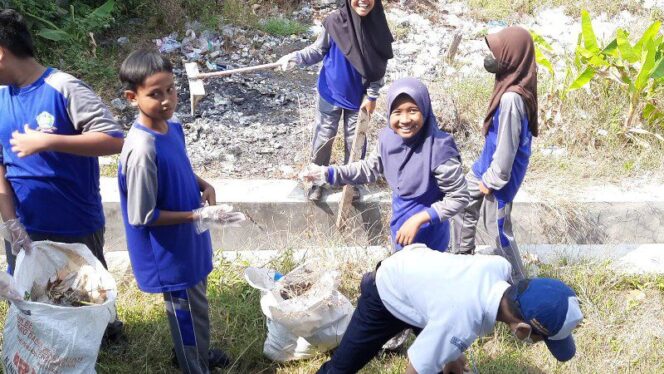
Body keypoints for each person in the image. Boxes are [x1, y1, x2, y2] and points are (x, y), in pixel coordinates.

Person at [0, 9, 125, 341]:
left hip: (76, 222)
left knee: (90, 292)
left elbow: (114, 140)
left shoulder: (63, 87)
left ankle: (106, 332)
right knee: (33, 296)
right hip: (26, 224)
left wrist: (49, 140)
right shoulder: (0, 97)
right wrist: (10, 220)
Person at [118, 50, 245, 373]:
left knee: (197, 304)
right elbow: (142, 216)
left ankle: (198, 353)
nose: (167, 100)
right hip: (169, 253)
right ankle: (193, 365)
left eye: (171, 90)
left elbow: (179, 166)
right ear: (132, 97)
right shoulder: (142, 150)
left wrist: (203, 183)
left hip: (187, 241)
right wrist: (197, 216)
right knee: (185, 313)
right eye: (155, 94)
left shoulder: (170, 126)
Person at [318, 244, 583, 374]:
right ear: (522, 331)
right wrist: (446, 350)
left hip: (426, 285)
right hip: (388, 291)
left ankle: (450, 358)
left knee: (452, 360)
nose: (536, 343)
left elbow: (455, 300)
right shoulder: (461, 321)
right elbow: (416, 368)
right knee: (342, 369)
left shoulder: (499, 267)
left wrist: (451, 355)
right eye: (539, 340)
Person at [301, 78, 469, 252]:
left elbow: (459, 196)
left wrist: (419, 219)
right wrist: (328, 173)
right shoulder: (388, 139)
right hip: (400, 229)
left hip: (430, 238)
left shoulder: (440, 149)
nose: (404, 119)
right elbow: (369, 169)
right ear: (389, 113)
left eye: (413, 111)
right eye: (397, 112)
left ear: (425, 110)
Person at [278, 0, 394, 201]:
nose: (364, 1)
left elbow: (379, 66)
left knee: (355, 139)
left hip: (360, 98)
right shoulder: (334, 21)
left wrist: (373, 95)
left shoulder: (377, 27)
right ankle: (315, 180)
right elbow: (317, 50)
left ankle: (352, 181)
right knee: (324, 137)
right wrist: (294, 57)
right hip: (330, 92)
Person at [452, 26, 539, 283]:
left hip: (498, 177)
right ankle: (461, 260)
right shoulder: (512, 81)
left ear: (512, 57)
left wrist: (491, 181)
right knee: (462, 205)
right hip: (484, 167)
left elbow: (508, 149)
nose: (491, 57)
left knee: (498, 232)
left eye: (498, 52)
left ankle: (520, 287)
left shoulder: (512, 99)